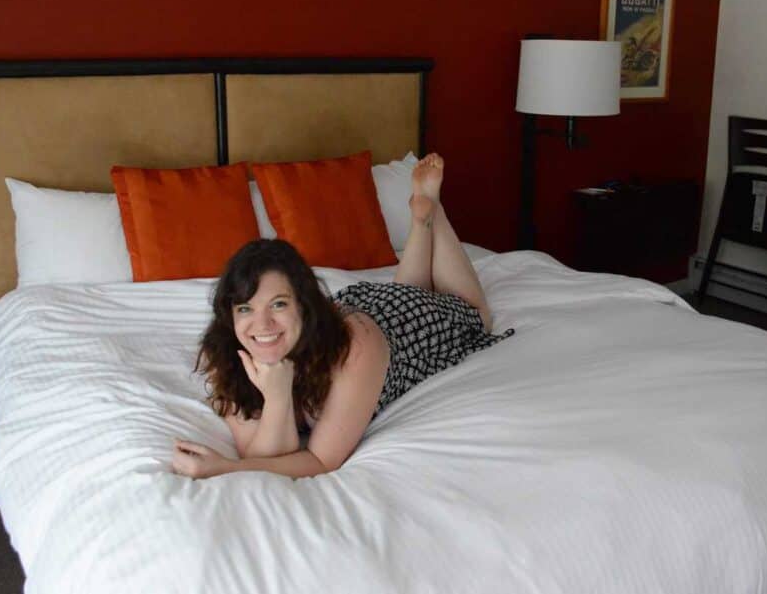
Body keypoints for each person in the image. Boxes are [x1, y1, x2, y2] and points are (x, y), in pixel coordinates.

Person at [172, 154, 512, 480]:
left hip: (393, 331)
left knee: (474, 314)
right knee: (403, 291)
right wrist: (277, 396)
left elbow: (320, 459)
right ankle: (420, 220)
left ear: (303, 304)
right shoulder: (226, 356)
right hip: (364, 308)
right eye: (245, 308)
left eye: (278, 304)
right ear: (229, 317)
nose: (261, 326)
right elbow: (258, 453)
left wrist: (223, 469)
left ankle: (431, 212)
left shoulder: (354, 348)